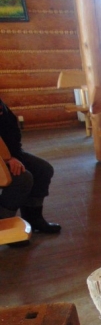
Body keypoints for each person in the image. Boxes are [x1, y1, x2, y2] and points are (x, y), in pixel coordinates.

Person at [0, 98, 61, 237]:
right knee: (22, 178)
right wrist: (7, 160)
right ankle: (4, 226)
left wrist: (13, 156)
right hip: (3, 158)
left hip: (10, 154)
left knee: (42, 169)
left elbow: (10, 131)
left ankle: (33, 219)